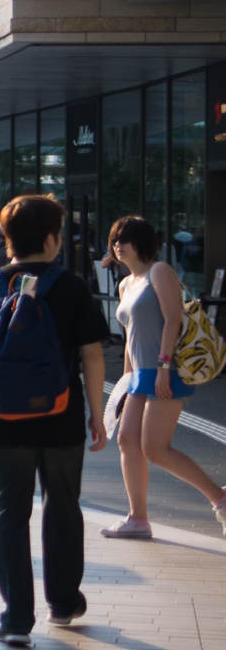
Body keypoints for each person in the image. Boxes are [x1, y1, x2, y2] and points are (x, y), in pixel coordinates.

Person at [0, 195, 109, 646]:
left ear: (8, 240)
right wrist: (98, 415)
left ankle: (16, 618)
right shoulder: (72, 286)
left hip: (5, 419)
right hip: (61, 418)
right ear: (53, 239)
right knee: (62, 506)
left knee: (9, 512)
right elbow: (92, 354)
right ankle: (62, 602)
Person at [99, 214, 226, 540]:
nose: (116, 245)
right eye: (114, 239)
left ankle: (220, 499)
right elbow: (130, 334)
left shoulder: (160, 272)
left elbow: (172, 320)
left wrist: (165, 367)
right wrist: (126, 381)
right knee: (127, 441)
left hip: (164, 370)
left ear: (139, 243)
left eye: (122, 239)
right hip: (140, 373)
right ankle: (137, 518)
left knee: (155, 448)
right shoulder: (126, 283)